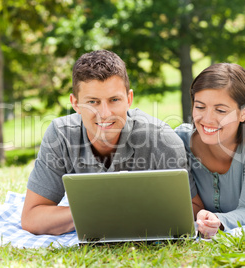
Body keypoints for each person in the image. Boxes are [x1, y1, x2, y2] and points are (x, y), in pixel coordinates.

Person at [21, 50, 201, 235]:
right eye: (93, 102)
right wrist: (101, 211)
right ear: (75, 103)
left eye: (114, 100)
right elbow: (32, 217)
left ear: (129, 99)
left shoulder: (161, 139)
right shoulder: (60, 135)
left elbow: (193, 207)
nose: (105, 113)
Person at [175, 63, 245, 238]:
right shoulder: (179, 140)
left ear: (244, 112)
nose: (207, 119)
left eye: (220, 110)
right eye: (200, 107)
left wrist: (218, 221)